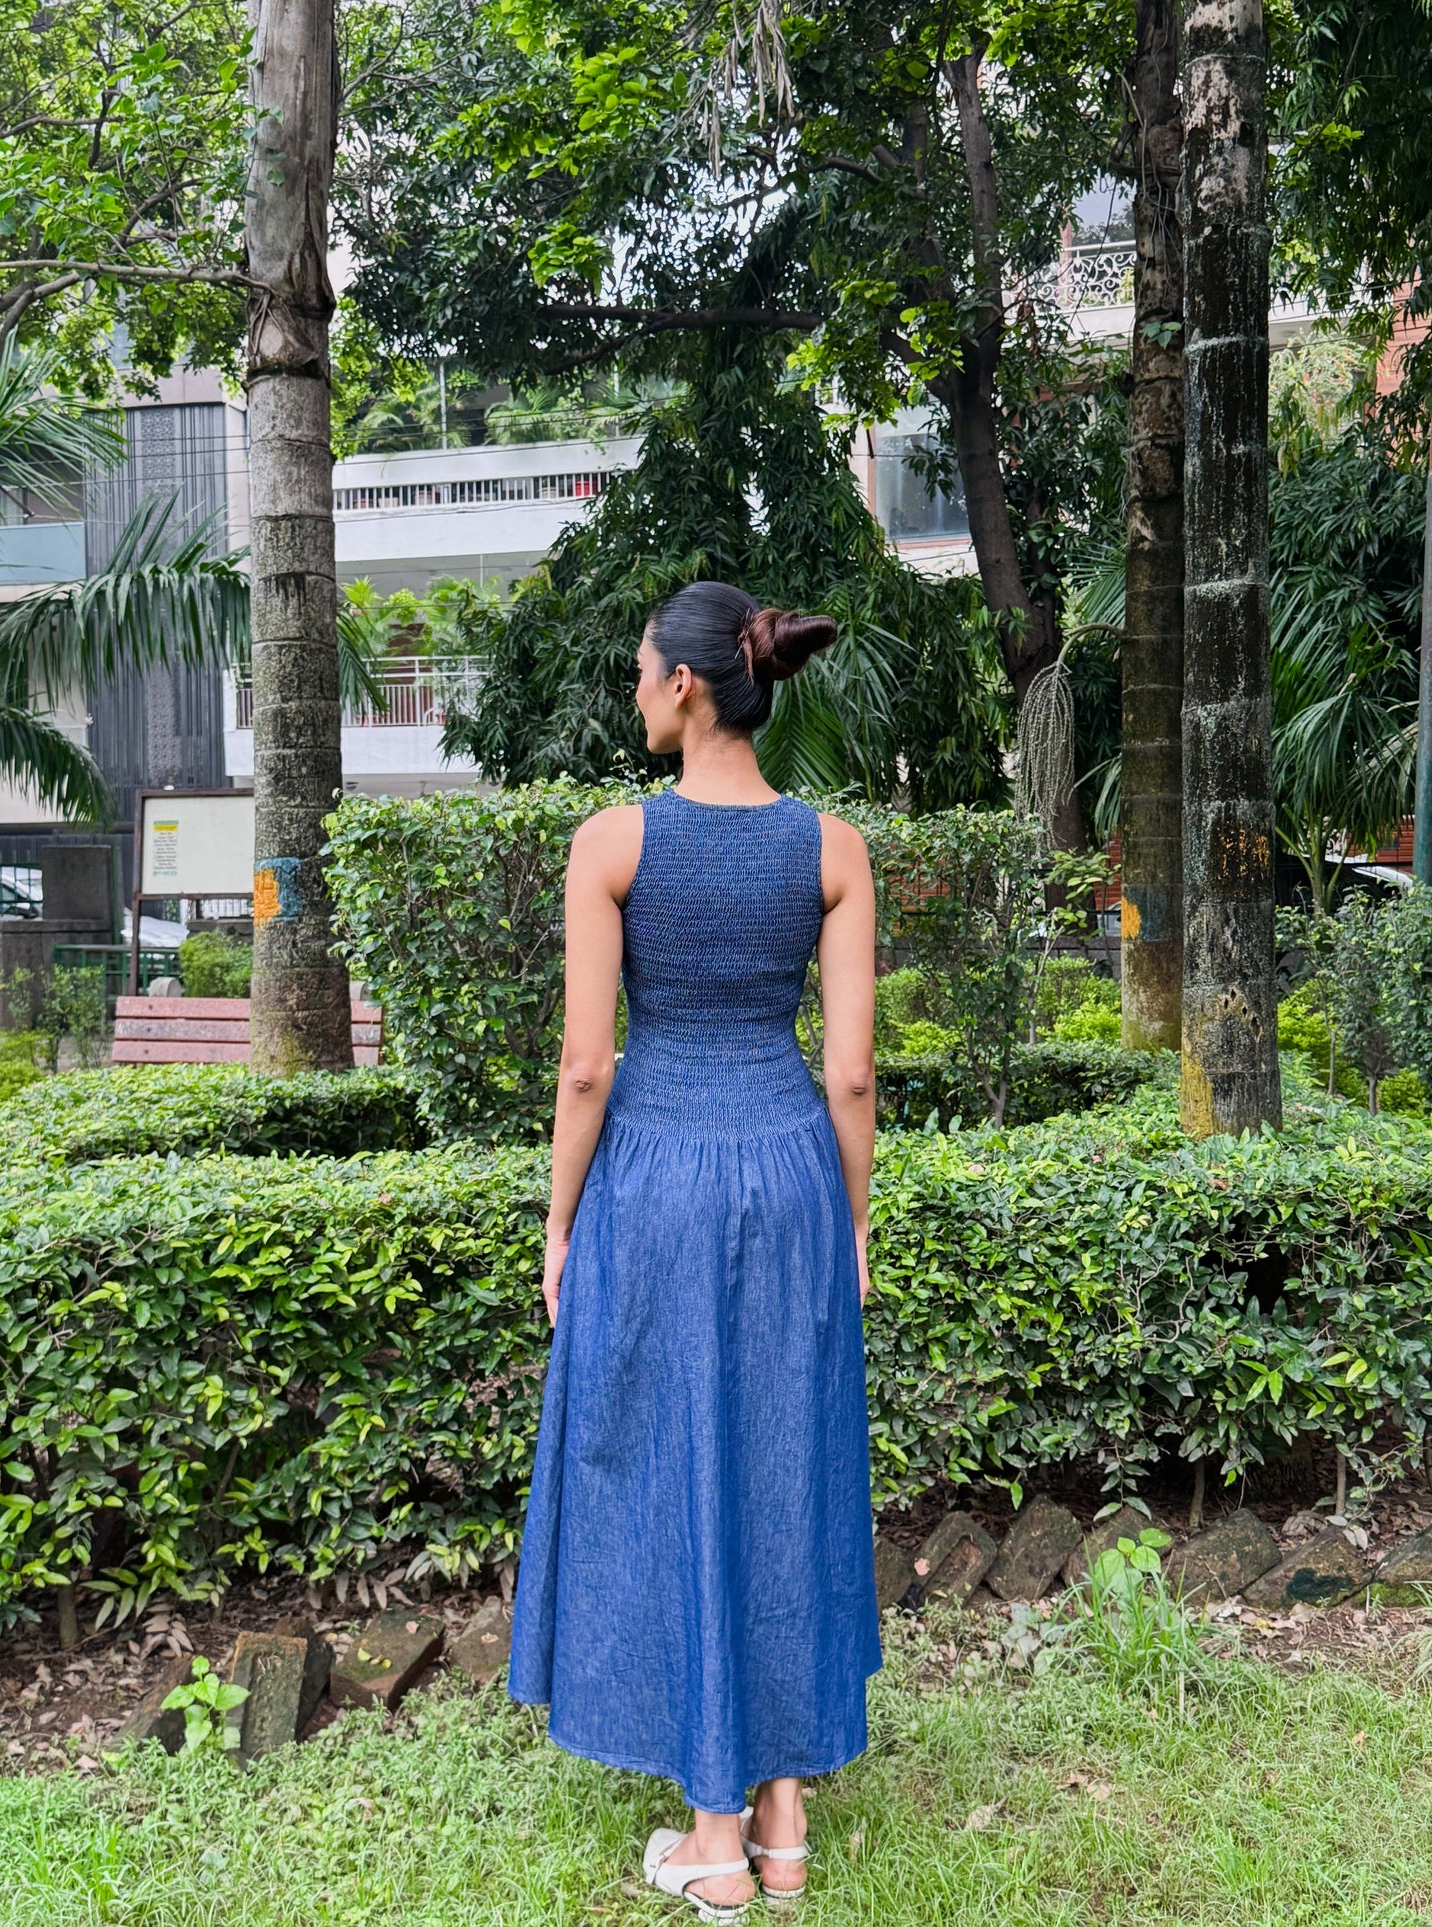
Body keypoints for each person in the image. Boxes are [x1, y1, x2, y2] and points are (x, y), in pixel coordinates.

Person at [507, 579, 880, 1923]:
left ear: (682, 685)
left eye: (635, 670)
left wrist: (557, 1223)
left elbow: (585, 1067)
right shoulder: (831, 849)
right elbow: (848, 1076)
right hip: (786, 1171)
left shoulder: (613, 842)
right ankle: (780, 1821)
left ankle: (714, 1841)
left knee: (673, 1464)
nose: (629, 691)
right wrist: (845, 1221)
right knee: (783, 1459)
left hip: (656, 1179)